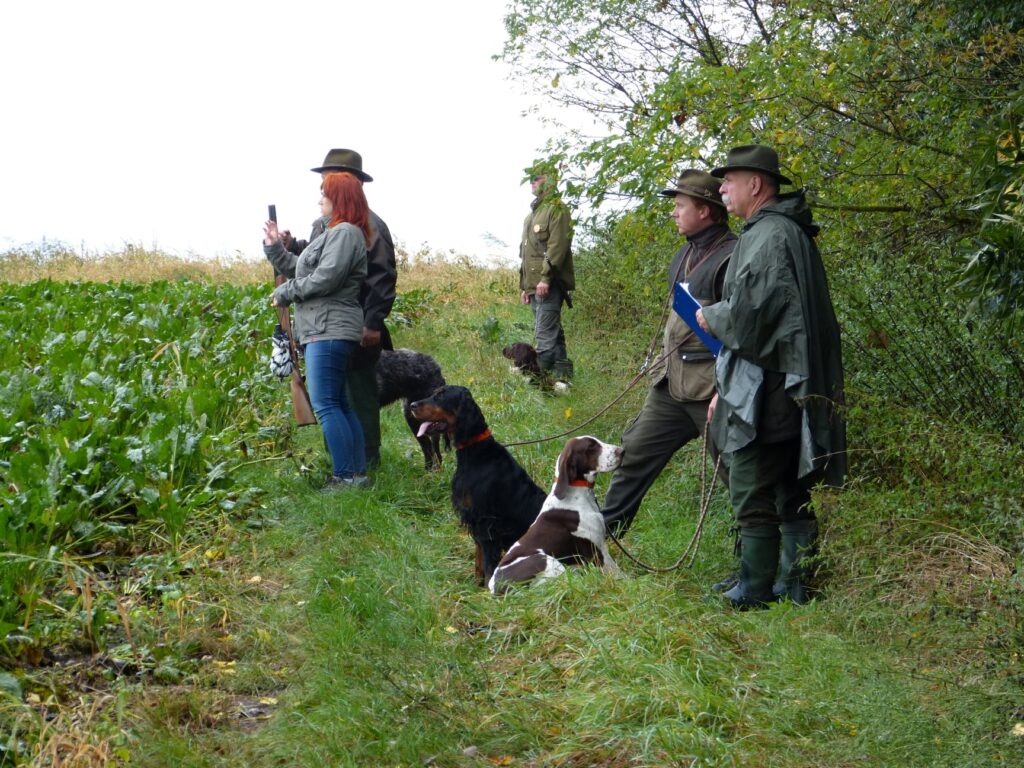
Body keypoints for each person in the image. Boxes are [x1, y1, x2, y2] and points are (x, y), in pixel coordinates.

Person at [696, 144, 847, 608]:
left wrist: (711, 317)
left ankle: (755, 589)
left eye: (729, 180)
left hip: (770, 387)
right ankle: (795, 584)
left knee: (752, 483)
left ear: (756, 185)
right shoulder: (785, 231)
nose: (721, 188)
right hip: (789, 381)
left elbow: (752, 319)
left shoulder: (767, 236)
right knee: (790, 487)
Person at [601, 170, 736, 535]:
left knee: (737, 475)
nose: (674, 212)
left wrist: (726, 390)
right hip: (670, 385)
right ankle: (598, 540)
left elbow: (742, 332)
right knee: (633, 455)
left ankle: (754, 566)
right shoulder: (682, 255)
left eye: (680, 205)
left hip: (711, 389)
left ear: (705, 211)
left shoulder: (733, 257)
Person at [282, 149, 397, 469]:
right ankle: (342, 461)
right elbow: (319, 260)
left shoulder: (372, 225)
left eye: (330, 177)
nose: (323, 184)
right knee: (333, 396)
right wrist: (290, 247)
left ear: (351, 183)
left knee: (358, 394)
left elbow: (383, 278)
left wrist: (372, 323)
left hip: (356, 323)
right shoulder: (325, 223)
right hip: (324, 323)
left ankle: (366, 463)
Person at [265, 172, 370, 491]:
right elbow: (304, 269)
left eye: (324, 193)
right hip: (325, 328)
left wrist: (285, 293)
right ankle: (356, 475)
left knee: (326, 404)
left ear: (340, 199)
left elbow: (326, 279)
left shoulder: (345, 233)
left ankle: (345, 477)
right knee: (338, 403)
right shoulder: (334, 233)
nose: (319, 199)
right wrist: (274, 249)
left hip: (328, 329)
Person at [519, 162, 575, 384]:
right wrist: (524, 286)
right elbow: (525, 254)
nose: (532, 181)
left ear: (550, 180)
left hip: (549, 284)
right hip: (534, 286)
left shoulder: (557, 209)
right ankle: (564, 381)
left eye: (537, 177)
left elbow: (557, 248)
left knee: (544, 338)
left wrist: (545, 279)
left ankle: (538, 385)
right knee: (554, 334)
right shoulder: (531, 216)